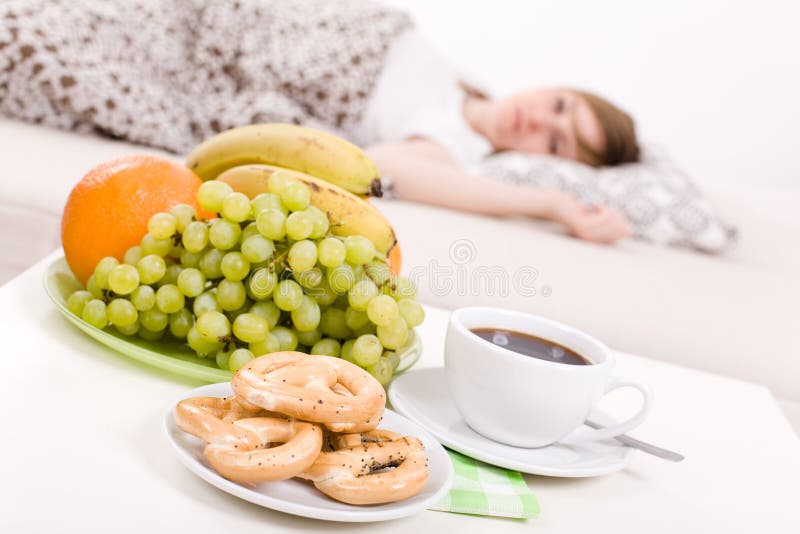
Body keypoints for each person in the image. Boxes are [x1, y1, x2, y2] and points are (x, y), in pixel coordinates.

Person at [355, 31, 639, 244]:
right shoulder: (468, 80)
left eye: (555, 142)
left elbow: (380, 166)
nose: (537, 120)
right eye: (559, 105)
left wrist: (552, 204)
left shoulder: (457, 147)